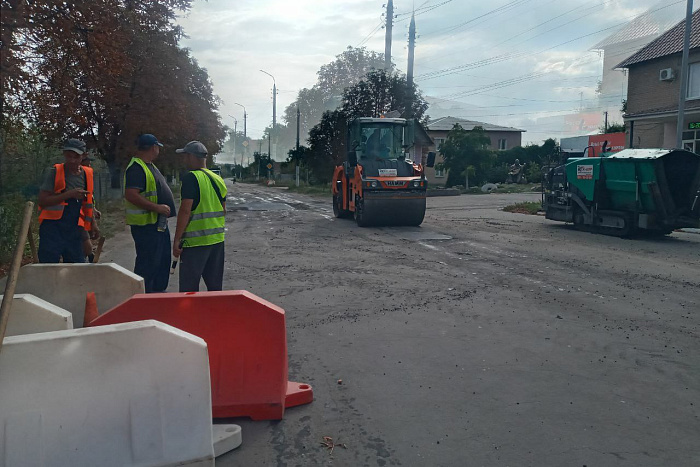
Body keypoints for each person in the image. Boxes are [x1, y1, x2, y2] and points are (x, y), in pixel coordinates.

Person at [172, 141, 227, 292]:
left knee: (188, 288)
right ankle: (215, 314)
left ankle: (189, 315)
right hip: (217, 241)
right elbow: (223, 210)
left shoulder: (191, 178)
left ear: (191, 156)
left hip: (195, 243)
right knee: (215, 287)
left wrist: (177, 239)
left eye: (185, 156)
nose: (184, 160)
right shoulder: (218, 179)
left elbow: (185, 211)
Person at [124, 134, 176, 293]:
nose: (158, 150)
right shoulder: (136, 168)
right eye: (158, 147)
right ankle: (143, 297)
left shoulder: (148, 165)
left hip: (157, 225)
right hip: (146, 226)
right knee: (148, 264)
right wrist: (156, 207)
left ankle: (157, 294)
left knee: (161, 261)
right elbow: (131, 194)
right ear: (153, 147)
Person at [37, 139, 98, 263]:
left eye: (76, 156)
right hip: (52, 230)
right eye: (69, 156)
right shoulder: (55, 172)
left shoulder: (87, 174)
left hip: (74, 231)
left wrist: (93, 224)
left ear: (84, 155)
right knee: (48, 268)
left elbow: (87, 204)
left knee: (76, 269)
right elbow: (42, 201)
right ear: (64, 154)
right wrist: (69, 194)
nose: (72, 160)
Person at [80, 155, 102, 262]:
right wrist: (94, 223)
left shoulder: (86, 178)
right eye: (87, 162)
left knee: (86, 239)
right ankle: (90, 256)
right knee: (84, 239)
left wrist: (94, 210)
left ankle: (87, 256)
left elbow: (89, 201)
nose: (89, 165)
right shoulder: (80, 179)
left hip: (86, 218)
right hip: (80, 218)